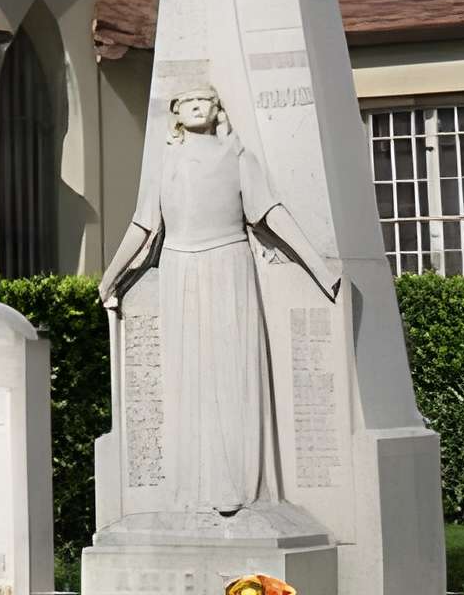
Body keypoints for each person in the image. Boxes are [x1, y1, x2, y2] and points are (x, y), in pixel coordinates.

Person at [104, 87, 342, 517]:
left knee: (232, 372)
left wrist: (319, 267)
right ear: (177, 113)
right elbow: (143, 225)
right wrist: (110, 277)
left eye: (206, 100)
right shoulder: (163, 163)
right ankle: (191, 488)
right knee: (186, 376)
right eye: (188, 101)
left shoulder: (237, 156)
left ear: (217, 110)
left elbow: (271, 212)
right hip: (179, 266)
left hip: (228, 263)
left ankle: (236, 484)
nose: (198, 105)